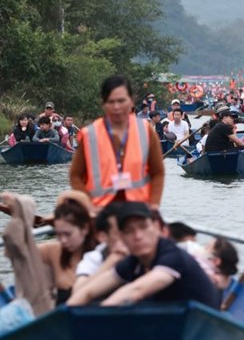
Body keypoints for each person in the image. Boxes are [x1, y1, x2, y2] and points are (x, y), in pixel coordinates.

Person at [67, 202, 220, 308]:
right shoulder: (132, 262)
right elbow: (87, 291)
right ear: (121, 236)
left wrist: (99, 317)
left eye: (143, 227)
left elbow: (137, 290)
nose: (138, 236)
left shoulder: (173, 256)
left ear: (155, 227)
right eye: (129, 230)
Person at [69, 75, 165, 209]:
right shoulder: (89, 134)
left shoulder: (145, 130)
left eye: (121, 101)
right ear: (103, 103)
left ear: (131, 101)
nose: (116, 107)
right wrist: (88, 206)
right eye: (111, 101)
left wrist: (154, 206)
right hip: (100, 211)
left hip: (138, 211)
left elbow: (158, 172)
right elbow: (75, 175)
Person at [2, 190, 97, 307]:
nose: (63, 241)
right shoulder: (53, 250)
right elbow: (20, 253)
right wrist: (20, 214)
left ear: (85, 228)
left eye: (68, 234)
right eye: (59, 234)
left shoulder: (103, 252)